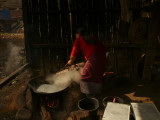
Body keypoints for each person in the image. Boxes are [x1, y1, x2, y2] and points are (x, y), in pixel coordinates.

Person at [66, 27, 107, 96]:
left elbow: (73, 55)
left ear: (78, 34)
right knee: (97, 76)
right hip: (103, 58)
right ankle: (95, 94)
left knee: (85, 77)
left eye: (76, 35)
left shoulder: (79, 39)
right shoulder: (93, 38)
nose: (76, 37)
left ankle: (88, 98)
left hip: (94, 58)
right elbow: (102, 48)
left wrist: (69, 63)